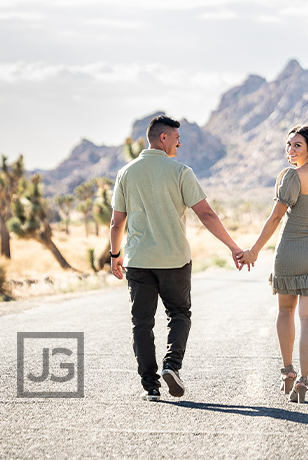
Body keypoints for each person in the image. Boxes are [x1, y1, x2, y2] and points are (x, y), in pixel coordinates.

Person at [109, 115, 243, 401]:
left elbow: (116, 222)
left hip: (139, 261)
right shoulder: (181, 171)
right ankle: (172, 365)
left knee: (141, 323)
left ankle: (151, 386)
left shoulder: (126, 173)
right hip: (175, 260)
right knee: (179, 314)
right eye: (176, 138)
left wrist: (115, 254)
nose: (179, 143)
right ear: (163, 138)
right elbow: (205, 213)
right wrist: (232, 246)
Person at [236, 125, 308, 403]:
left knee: (286, 311)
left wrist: (254, 251)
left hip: (291, 252)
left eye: (297, 145)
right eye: (288, 144)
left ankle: (288, 372)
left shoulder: (291, 177)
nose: (290, 149)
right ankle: (303, 379)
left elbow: (275, 218)